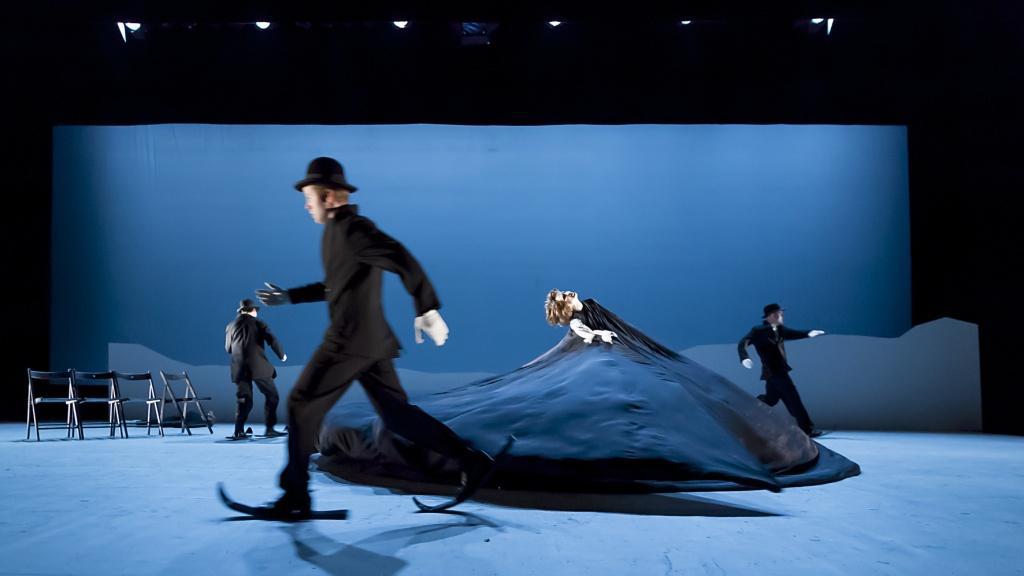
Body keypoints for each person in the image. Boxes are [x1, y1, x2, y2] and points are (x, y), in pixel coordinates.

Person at [253, 156, 494, 518]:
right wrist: (290, 296)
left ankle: (295, 497)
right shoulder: (336, 232)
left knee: (303, 402)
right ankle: (471, 461)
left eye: (309, 197)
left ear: (329, 196)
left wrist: (426, 308)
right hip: (370, 341)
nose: (305, 205)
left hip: (349, 340)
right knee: (397, 415)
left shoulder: (354, 229)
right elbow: (335, 285)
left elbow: (401, 257)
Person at [737, 303, 825, 437]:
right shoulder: (758, 331)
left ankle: (746, 407)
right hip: (774, 372)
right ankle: (807, 429)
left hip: (777, 372)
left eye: (781, 314)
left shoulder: (780, 329)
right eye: (777, 314)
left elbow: (795, 333)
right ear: (769, 316)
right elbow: (742, 343)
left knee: (770, 399)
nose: (781, 316)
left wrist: (809, 333)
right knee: (793, 399)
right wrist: (744, 358)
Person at [224, 298, 287, 440]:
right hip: (258, 367)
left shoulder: (230, 326)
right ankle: (270, 429)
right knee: (272, 396)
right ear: (253, 310)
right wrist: (282, 355)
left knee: (244, 400)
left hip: (239, 368)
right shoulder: (259, 323)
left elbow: (228, 348)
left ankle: (238, 431)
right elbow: (272, 340)